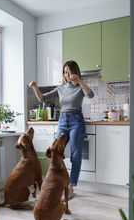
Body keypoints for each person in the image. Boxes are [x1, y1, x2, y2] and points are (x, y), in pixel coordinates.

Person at [29, 60, 94, 200]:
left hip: (77, 120)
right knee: (56, 151)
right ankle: (62, 180)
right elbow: (42, 98)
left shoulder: (80, 87)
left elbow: (91, 95)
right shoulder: (61, 88)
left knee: (76, 153)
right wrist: (35, 87)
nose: (66, 75)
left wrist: (80, 81)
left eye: (69, 72)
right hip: (63, 120)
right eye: (64, 72)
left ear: (75, 72)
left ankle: (71, 185)